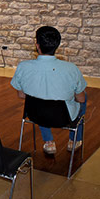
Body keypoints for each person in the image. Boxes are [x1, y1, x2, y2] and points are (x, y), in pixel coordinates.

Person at [11, 25, 87, 155]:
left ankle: (49, 142)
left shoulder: (23, 67)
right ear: (57, 45)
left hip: (35, 115)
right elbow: (80, 99)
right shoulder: (71, 69)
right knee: (84, 96)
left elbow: (21, 95)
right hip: (65, 118)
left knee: (40, 98)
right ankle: (74, 139)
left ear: (37, 45)